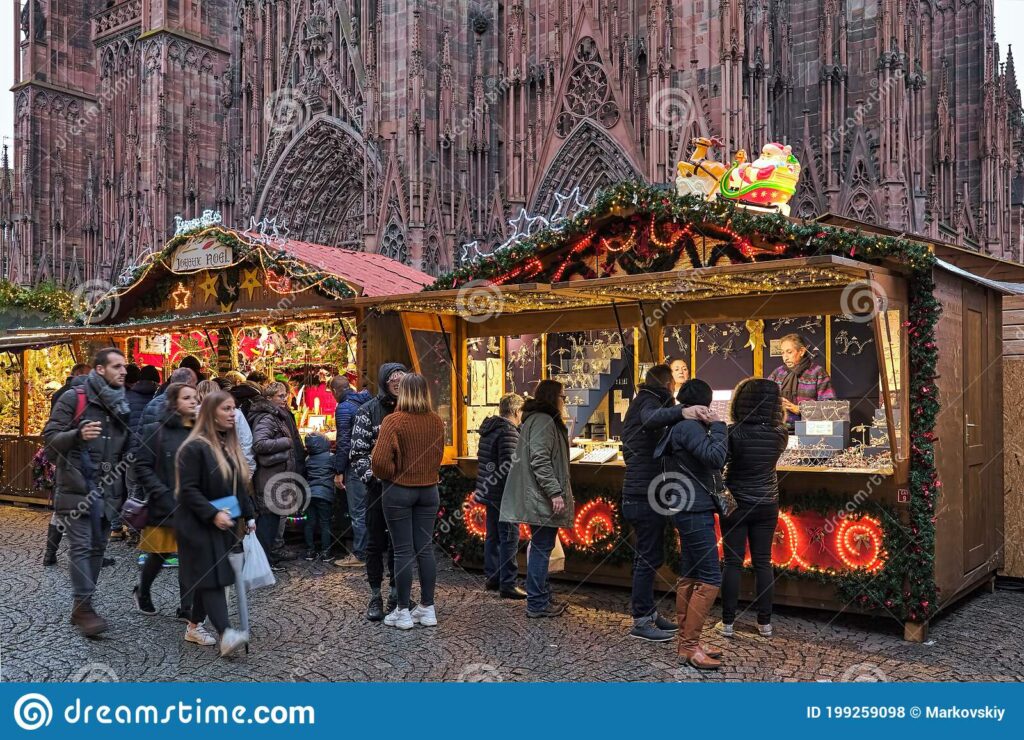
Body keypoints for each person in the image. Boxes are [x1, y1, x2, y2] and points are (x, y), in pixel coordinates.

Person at [43, 348, 131, 636]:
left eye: (125, 366)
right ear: (100, 369)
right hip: (76, 488)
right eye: (117, 366)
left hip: (107, 492)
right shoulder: (74, 398)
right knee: (81, 547)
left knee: (96, 548)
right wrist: (77, 434)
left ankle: (82, 605)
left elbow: (126, 447)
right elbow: (50, 440)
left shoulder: (120, 404)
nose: (124, 371)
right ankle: (84, 607)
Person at [621, 364, 710, 641]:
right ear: (669, 383)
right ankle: (641, 620)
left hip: (646, 492)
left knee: (648, 556)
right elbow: (650, 418)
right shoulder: (647, 401)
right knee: (648, 557)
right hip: (643, 494)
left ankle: (647, 612)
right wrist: (684, 411)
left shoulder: (649, 399)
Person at [174, 390, 255, 657]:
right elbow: (188, 490)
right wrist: (212, 513)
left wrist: (249, 514)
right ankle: (226, 633)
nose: (233, 413)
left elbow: (237, 484)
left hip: (222, 523)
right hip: (197, 525)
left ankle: (193, 626)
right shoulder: (194, 447)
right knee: (212, 579)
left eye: (234, 408)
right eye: (227, 409)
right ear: (211, 413)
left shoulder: (225, 445)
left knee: (209, 577)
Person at [657, 378, 728, 670]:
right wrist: (720, 426)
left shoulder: (680, 426)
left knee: (691, 572)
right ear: (705, 403)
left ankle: (689, 642)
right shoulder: (688, 427)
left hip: (686, 506)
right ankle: (689, 646)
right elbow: (716, 457)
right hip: (693, 508)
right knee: (710, 576)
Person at [369, 373, 444, 629]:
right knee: (425, 548)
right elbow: (438, 456)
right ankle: (428, 607)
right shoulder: (436, 421)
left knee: (401, 550)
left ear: (403, 393)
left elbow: (378, 462)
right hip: (429, 490)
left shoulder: (393, 421)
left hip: (399, 490)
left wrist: (391, 475)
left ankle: (402, 611)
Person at [718, 378, 788, 639]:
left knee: (732, 563)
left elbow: (719, 463)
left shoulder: (731, 432)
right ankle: (765, 624)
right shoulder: (780, 434)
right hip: (767, 502)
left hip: (735, 503)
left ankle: (727, 623)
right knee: (763, 562)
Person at [500, 379, 575, 619]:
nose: (565, 401)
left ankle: (541, 596)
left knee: (541, 546)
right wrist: (554, 491)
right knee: (542, 547)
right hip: (540, 497)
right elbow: (540, 459)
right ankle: (537, 602)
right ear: (554, 397)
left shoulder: (536, 419)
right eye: (563, 396)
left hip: (535, 495)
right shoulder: (544, 420)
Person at [132, 383, 200, 627]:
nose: (193, 401)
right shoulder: (156, 430)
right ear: (174, 402)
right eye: (187, 397)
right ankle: (143, 591)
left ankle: (187, 607)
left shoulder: (199, 431)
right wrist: (161, 493)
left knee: (190, 556)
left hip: (191, 506)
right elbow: (142, 466)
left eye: (195, 397)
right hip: (164, 506)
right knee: (159, 555)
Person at [350, 362, 407, 621]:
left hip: (405, 489)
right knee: (375, 543)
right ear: (384, 381)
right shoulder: (367, 411)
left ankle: (397, 593)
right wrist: (373, 478)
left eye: (401, 378)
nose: (397, 382)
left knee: (400, 543)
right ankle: (376, 594)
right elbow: (358, 453)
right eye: (393, 379)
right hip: (377, 489)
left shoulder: (411, 409)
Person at [474, 392, 526, 599]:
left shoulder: (490, 429)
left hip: (489, 491)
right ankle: (508, 583)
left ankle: (493, 577)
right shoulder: (508, 432)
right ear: (515, 411)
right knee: (509, 537)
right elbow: (510, 468)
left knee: (493, 536)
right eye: (521, 411)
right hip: (504, 494)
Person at [250, 381, 306, 564]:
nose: (284, 399)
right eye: (280, 396)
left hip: (276, 474)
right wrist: (286, 443)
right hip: (270, 475)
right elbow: (259, 444)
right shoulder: (267, 417)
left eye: (285, 395)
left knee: (273, 518)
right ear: (269, 398)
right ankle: (261, 561)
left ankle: (266, 558)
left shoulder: (276, 415)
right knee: (268, 520)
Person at [43, 363, 90, 565]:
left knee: (61, 510)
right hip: (73, 459)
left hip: (64, 458)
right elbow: (54, 433)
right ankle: (78, 554)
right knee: (72, 508)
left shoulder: (60, 393)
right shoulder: (74, 397)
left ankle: (50, 553)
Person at [330, 375, 372, 567]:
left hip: (355, 465)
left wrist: (339, 470)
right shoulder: (367, 401)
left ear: (335, 391)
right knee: (370, 509)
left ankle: (360, 554)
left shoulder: (344, 408)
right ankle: (371, 551)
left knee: (357, 511)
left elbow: (344, 442)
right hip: (372, 463)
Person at [767, 333, 835, 422]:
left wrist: (799, 409)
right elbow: (764, 399)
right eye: (782, 353)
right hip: (780, 428)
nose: (785, 357)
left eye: (789, 352)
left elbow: (830, 407)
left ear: (802, 351)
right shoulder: (778, 373)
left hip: (808, 428)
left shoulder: (817, 372)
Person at [197, 380, 255, 473]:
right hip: (232, 466)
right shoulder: (237, 414)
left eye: (232, 408)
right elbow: (246, 441)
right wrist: (249, 468)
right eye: (227, 408)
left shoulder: (193, 413)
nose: (231, 413)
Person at [302, 433, 336, 561]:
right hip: (325, 495)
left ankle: (310, 551)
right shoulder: (331, 457)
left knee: (309, 523)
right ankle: (326, 552)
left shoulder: (308, 459)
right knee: (325, 523)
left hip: (310, 495)